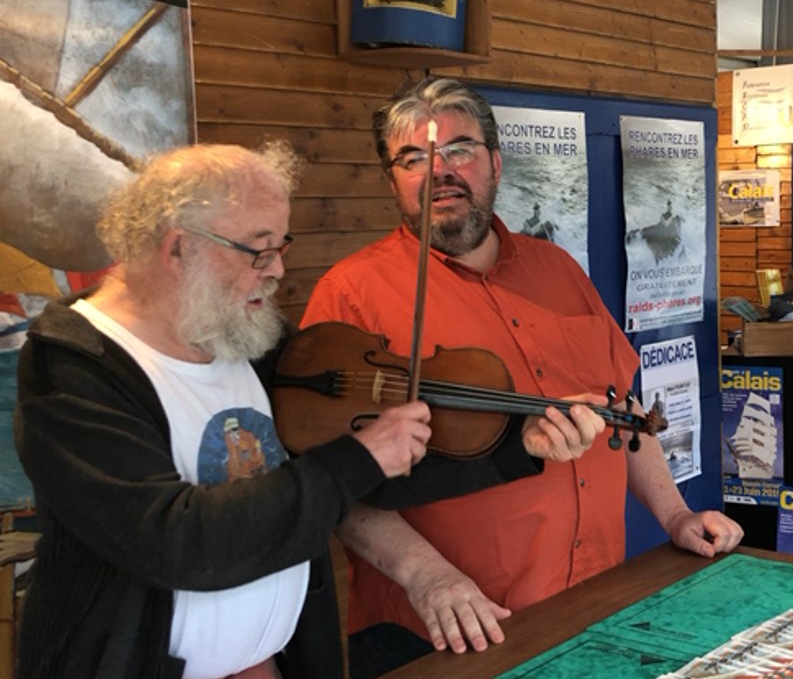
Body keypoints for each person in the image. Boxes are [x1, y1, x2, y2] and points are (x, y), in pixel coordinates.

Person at [14, 142, 590, 679]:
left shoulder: (248, 340)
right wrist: (355, 460)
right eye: (258, 249)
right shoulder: (74, 367)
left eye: (281, 247)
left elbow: (362, 483)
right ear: (177, 247)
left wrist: (518, 445)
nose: (278, 270)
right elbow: (176, 542)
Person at [302, 77, 743, 677]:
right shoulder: (350, 294)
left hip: (592, 601)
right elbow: (328, 476)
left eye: (459, 149)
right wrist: (426, 575)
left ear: (495, 163)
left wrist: (675, 516)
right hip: (446, 628)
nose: (439, 170)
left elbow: (625, 409)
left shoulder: (557, 267)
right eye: (412, 158)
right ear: (393, 179)